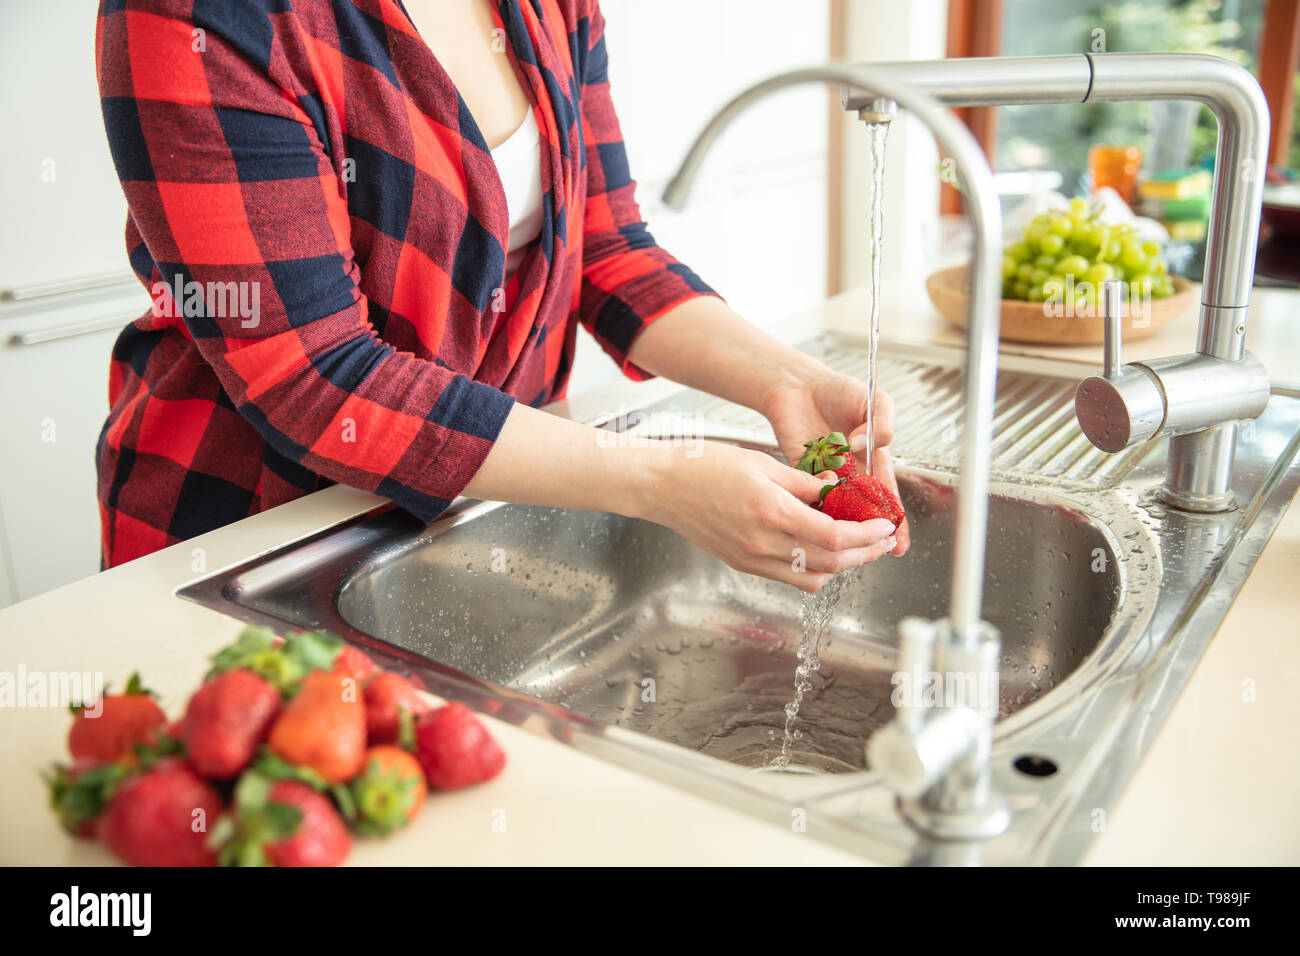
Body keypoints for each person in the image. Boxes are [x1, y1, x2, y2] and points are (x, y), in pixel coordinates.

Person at [94, 0, 909, 592]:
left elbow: (606, 245)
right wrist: (661, 480)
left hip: (493, 491)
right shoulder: (200, 16)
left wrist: (787, 383)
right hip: (254, 532)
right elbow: (313, 375)